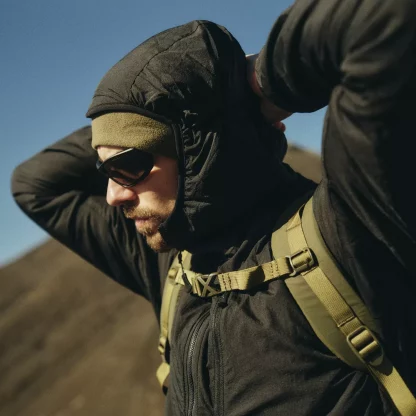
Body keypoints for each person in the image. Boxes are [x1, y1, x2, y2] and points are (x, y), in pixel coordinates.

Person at [11, 0, 416, 414]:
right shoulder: (172, 267)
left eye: (127, 166)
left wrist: (256, 85)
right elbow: (34, 185)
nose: (113, 195)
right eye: (104, 170)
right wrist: (145, 112)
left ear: (196, 150)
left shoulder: (348, 233)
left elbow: (382, 16)